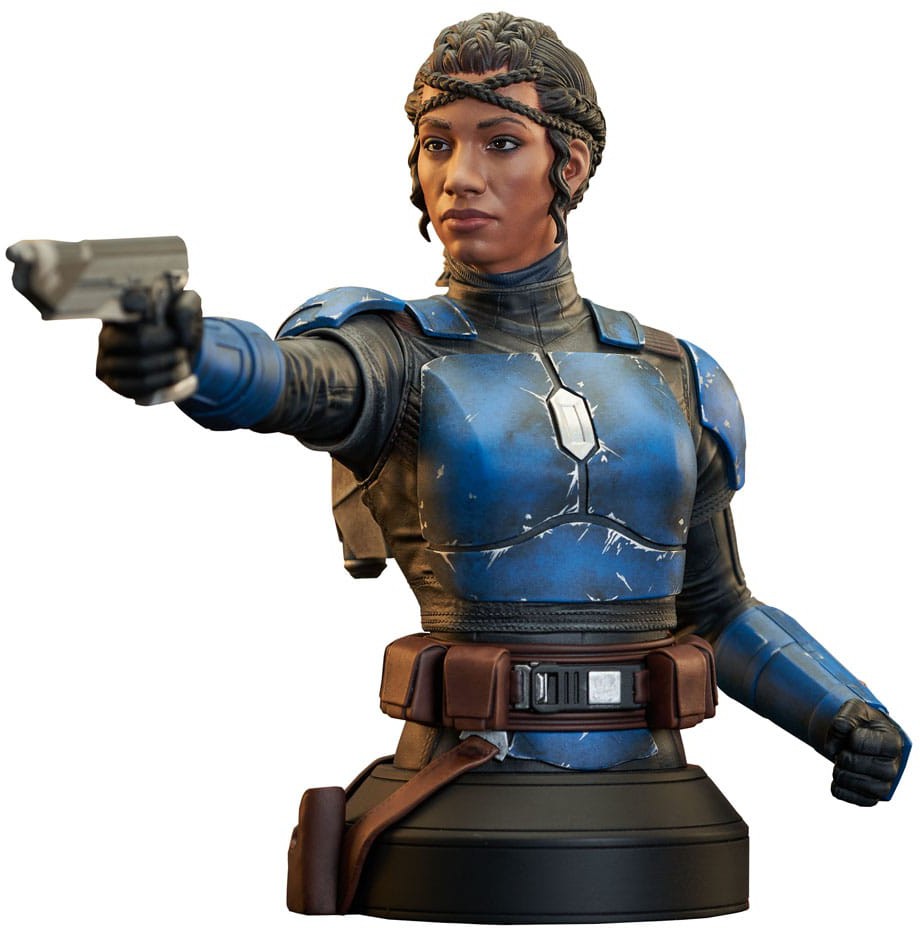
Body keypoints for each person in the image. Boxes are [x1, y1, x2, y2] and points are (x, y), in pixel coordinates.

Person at [91, 11, 907, 923]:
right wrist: (189, 355)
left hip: (655, 815)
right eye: (437, 143)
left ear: (571, 164)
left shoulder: (675, 374)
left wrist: (840, 714)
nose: (459, 175)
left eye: (501, 141)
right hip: (456, 803)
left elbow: (714, 608)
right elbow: (291, 380)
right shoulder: (395, 353)